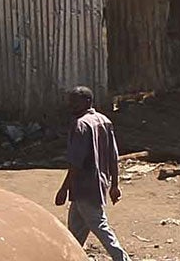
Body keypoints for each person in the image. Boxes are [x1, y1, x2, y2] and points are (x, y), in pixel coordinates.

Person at [56, 86, 128, 261]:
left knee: (99, 225)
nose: (71, 105)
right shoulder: (104, 120)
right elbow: (113, 156)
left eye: (75, 101)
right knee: (75, 230)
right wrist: (114, 185)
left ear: (88, 101)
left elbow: (75, 161)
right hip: (97, 184)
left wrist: (64, 188)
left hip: (84, 186)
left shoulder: (80, 124)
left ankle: (122, 258)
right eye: (70, 100)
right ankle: (70, 257)